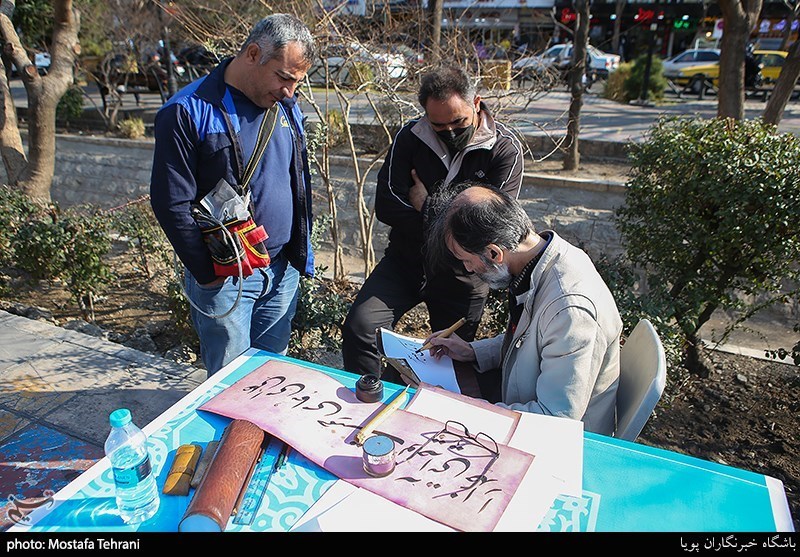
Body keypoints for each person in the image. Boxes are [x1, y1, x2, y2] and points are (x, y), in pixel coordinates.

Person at [341, 65, 524, 399]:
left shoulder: (504, 150)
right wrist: (453, 217)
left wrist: (425, 205)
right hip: (405, 261)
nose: (450, 132)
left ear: (476, 103)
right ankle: (367, 400)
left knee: (448, 358)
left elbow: (487, 226)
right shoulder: (411, 137)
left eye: (459, 122)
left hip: (464, 273)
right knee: (361, 327)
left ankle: (429, 415)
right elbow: (387, 205)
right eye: (439, 125)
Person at [149, 14, 316, 375]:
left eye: (296, 82)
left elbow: (296, 178)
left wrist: (298, 254)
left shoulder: (285, 105)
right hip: (227, 276)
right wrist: (207, 274)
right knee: (229, 381)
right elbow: (170, 201)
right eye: (283, 77)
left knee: (271, 375)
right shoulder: (187, 110)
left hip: (281, 270)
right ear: (253, 54)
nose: (289, 91)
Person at [422, 182, 622, 435]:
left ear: (494, 253)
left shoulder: (570, 310)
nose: (468, 269)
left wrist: (462, 410)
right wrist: (473, 351)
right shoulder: (542, 259)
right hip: (522, 400)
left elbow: (555, 418)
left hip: (563, 440)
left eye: (466, 260)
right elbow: (530, 340)